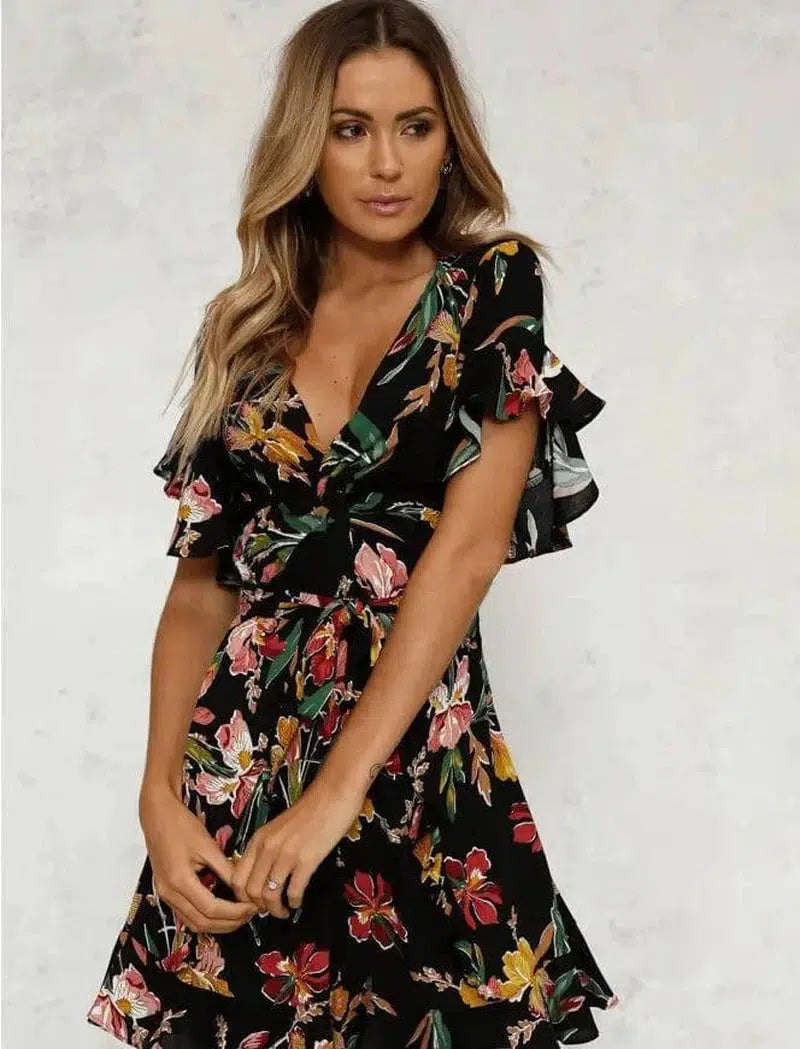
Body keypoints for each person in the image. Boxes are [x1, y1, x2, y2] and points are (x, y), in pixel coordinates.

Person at [85, 1, 619, 1046]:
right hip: (241, 770)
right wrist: (157, 798)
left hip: (415, 770)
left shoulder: (489, 288)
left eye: (414, 126)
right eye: (349, 128)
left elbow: (468, 550)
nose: (385, 163)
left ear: (449, 140)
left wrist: (334, 794)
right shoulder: (246, 327)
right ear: (305, 144)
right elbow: (202, 588)